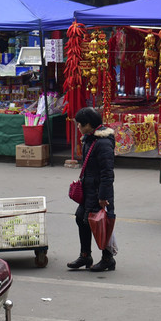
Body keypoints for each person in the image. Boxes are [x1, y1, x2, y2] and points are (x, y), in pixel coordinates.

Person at [68, 107, 117, 272]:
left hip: (98, 192)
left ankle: (108, 259)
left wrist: (103, 196)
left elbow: (107, 173)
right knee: (81, 218)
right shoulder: (90, 139)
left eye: (80, 124)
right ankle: (85, 256)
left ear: (88, 124)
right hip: (88, 189)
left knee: (102, 223)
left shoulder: (102, 143)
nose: (78, 127)